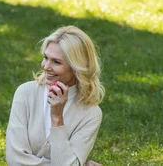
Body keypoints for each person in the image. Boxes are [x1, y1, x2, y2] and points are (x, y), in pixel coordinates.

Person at [6, 26, 105, 166]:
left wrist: (57, 118)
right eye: (46, 58)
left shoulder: (90, 114)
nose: (46, 66)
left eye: (56, 62)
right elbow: (14, 160)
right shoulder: (25, 93)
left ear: (77, 68)